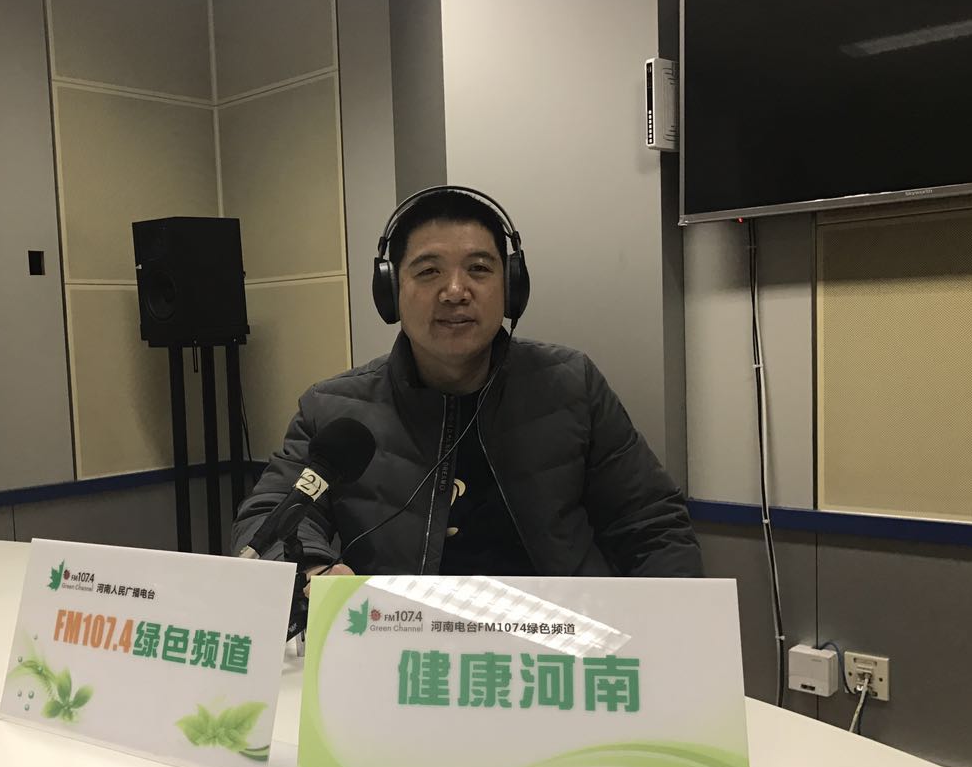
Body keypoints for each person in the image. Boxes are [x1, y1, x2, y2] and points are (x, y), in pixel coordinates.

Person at [230, 186, 702, 585]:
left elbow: (652, 523)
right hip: (402, 644)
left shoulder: (570, 385)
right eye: (428, 271)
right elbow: (269, 516)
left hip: (557, 644)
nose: (456, 291)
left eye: (478, 268)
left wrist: (670, 633)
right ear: (391, 292)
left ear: (510, 286)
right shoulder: (333, 407)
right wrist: (311, 569)